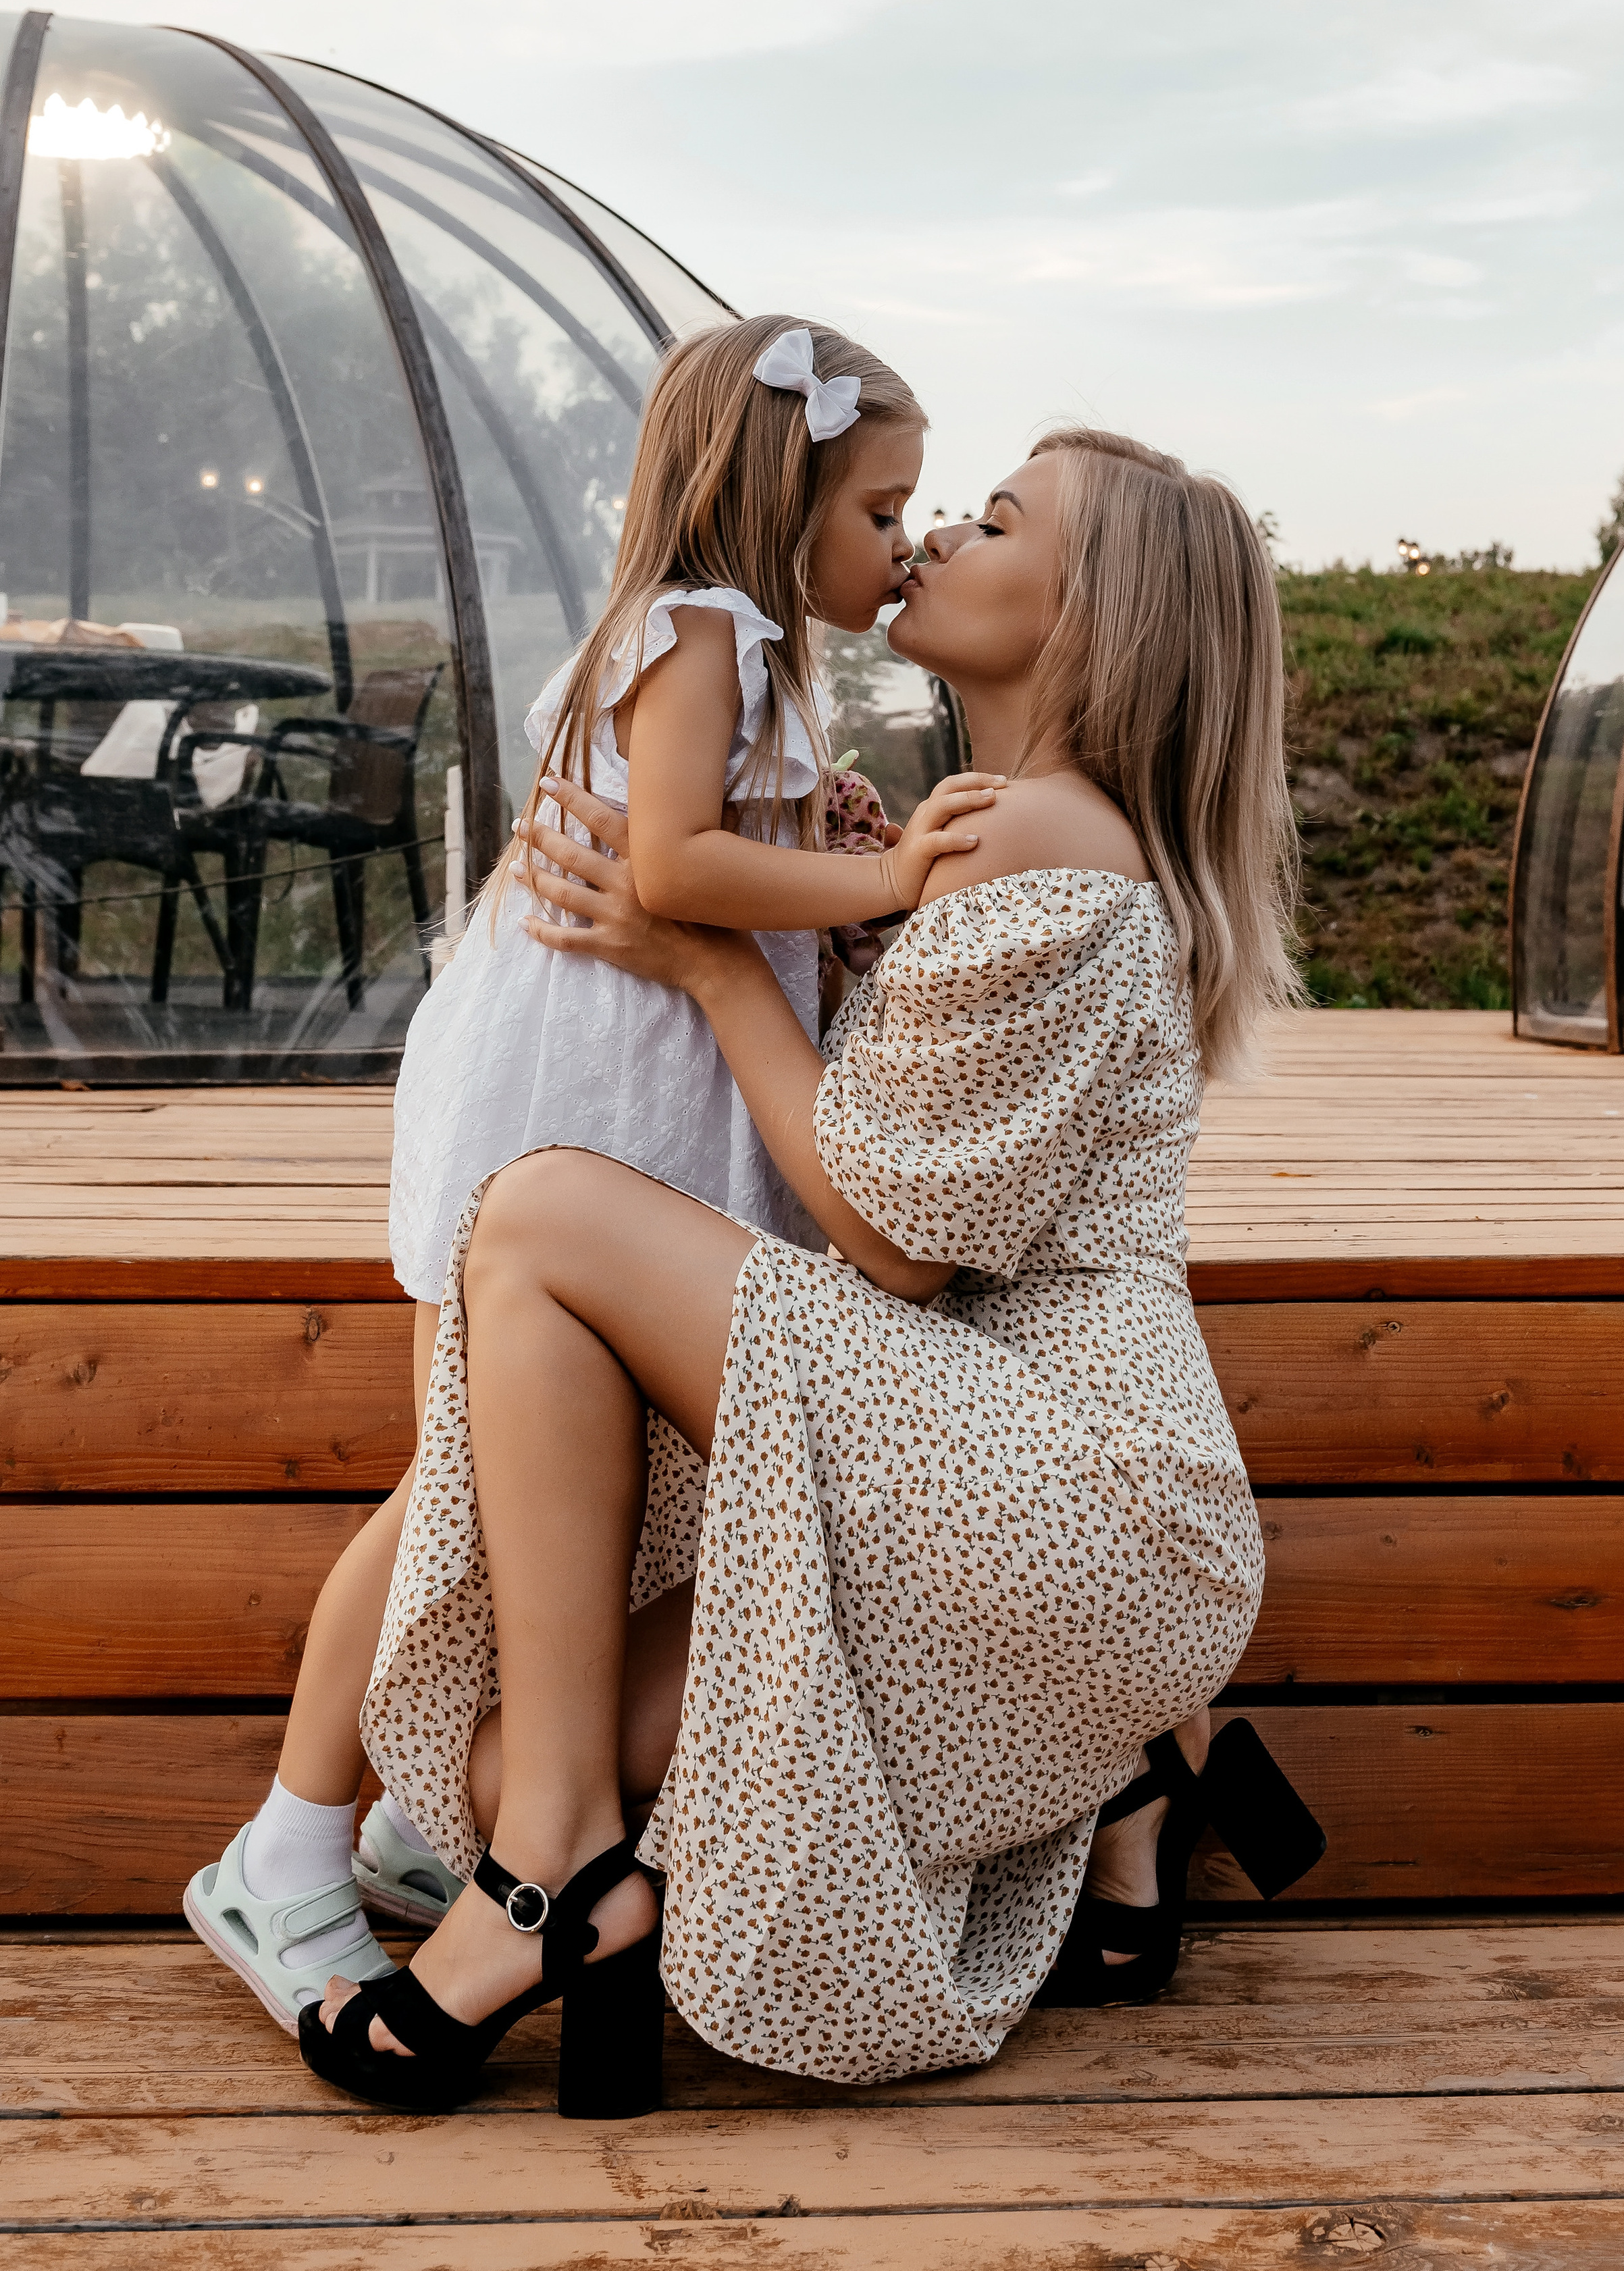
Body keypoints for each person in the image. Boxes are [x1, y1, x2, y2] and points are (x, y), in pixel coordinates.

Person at [298, 425, 1324, 2121]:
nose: (927, 536)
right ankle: (1132, 1767)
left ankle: (546, 1887)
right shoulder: (1002, 835)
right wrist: (853, 931)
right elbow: (910, 1161)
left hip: (1068, 1480)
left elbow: (891, 1245)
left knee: (540, 1218)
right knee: (484, 1764)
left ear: (1095, 618)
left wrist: (709, 961)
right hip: (979, 1484)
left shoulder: (1045, 838)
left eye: (992, 522)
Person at [183, 315, 998, 2031]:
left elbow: (714, 839)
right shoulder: (701, 627)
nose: (900, 547)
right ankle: (284, 1851)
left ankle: (421, 1819)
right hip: (564, 1094)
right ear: (780, 504)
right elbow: (670, 858)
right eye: (880, 510)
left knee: (532, 1489)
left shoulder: (753, 648)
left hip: (627, 1089)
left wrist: (814, 835)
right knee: (452, 1496)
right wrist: (888, 886)